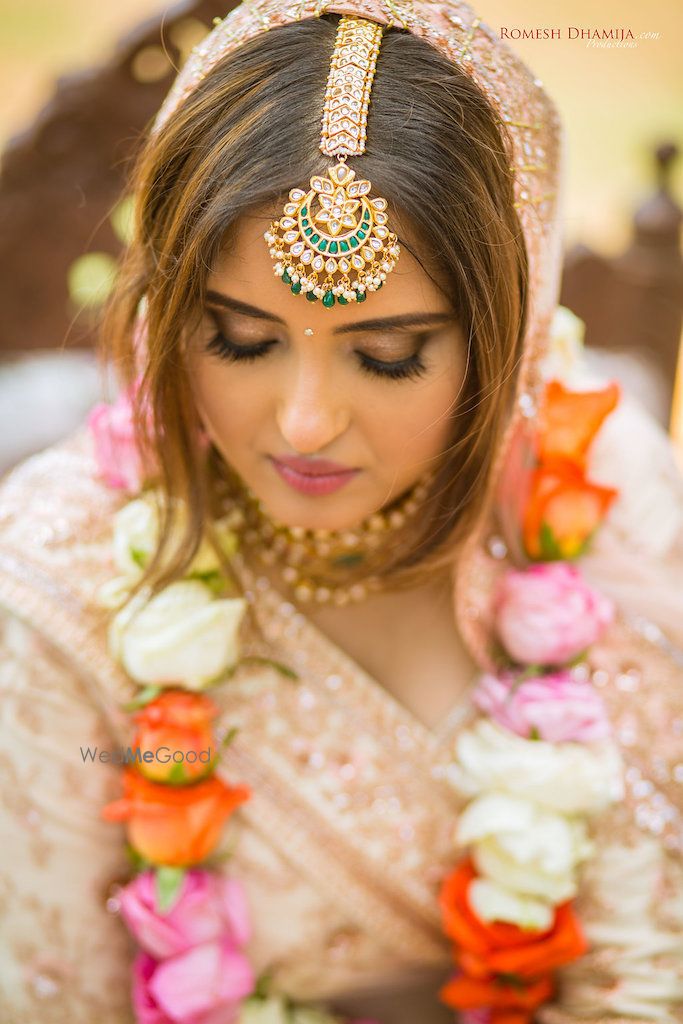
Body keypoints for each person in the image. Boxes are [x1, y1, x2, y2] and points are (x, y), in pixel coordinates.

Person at [1, 1, 682, 1022]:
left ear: (508, 341)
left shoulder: (603, 506)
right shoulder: (65, 570)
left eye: (386, 353)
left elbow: (642, 979)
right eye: (239, 338)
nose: (305, 423)